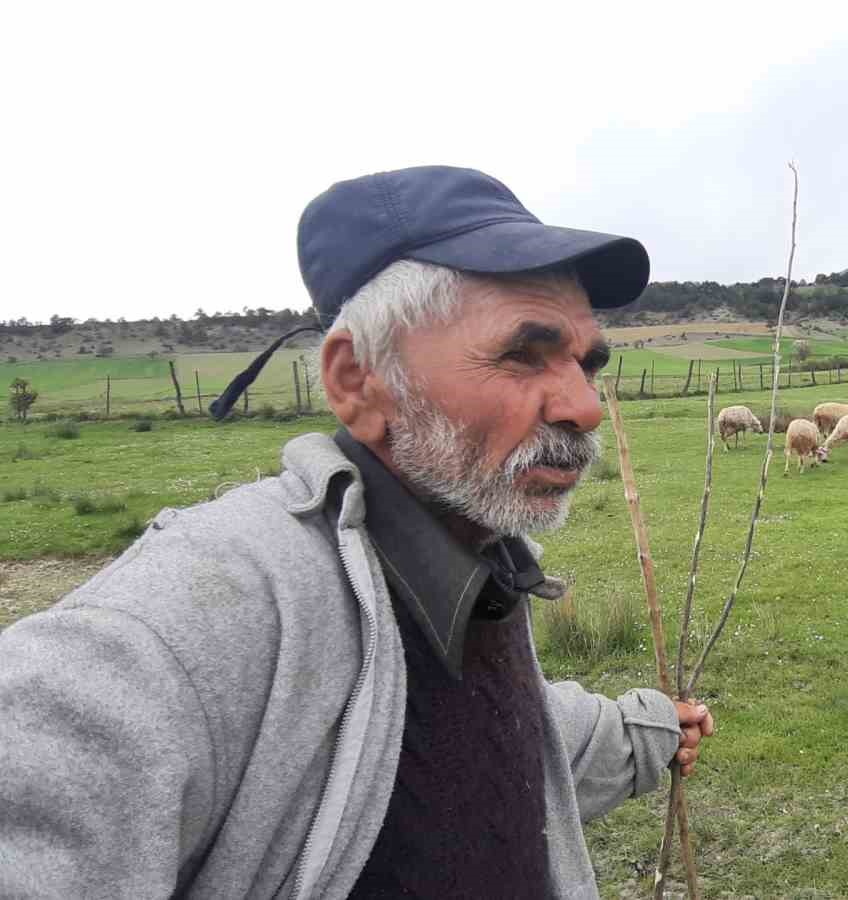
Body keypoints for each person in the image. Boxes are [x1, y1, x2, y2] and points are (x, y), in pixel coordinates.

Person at [0, 165, 714, 899]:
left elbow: (483, 730)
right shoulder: (188, 622)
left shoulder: (469, 563)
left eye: (584, 362)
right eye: (522, 354)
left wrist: (646, 730)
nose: (584, 405)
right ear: (358, 381)